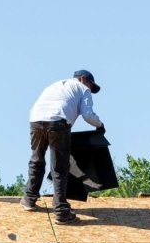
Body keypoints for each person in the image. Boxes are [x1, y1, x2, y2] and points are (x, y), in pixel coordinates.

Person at [22, 69, 105, 224]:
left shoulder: (55, 85)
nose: (91, 91)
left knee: (37, 159)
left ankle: (29, 198)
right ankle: (61, 211)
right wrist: (100, 125)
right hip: (58, 122)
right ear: (82, 79)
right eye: (91, 86)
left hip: (36, 120)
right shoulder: (83, 88)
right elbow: (88, 115)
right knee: (60, 167)